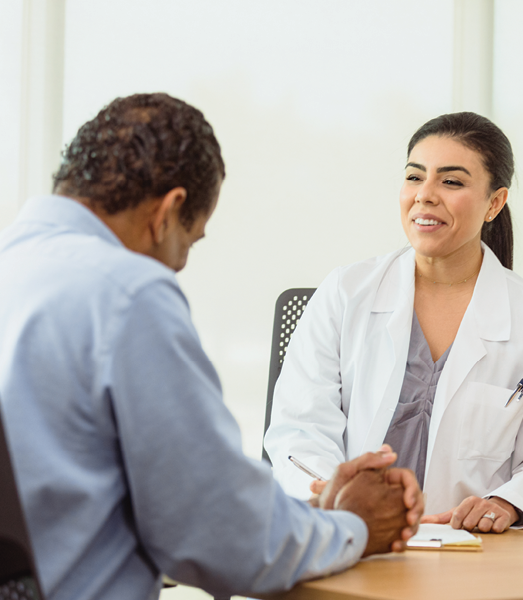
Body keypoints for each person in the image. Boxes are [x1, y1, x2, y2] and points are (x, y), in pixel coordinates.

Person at [0, 93, 424, 600]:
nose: (179, 266)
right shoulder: (126, 291)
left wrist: (313, 516)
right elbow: (222, 535)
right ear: (169, 210)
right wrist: (352, 525)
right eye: (190, 242)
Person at [265, 111, 523, 533]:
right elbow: (300, 428)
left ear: (494, 202)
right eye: (414, 177)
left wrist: (507, 503)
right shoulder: (345, 293)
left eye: (451, 181)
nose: (425, 195)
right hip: (347, 538)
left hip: (471, 554)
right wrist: (334, 492)